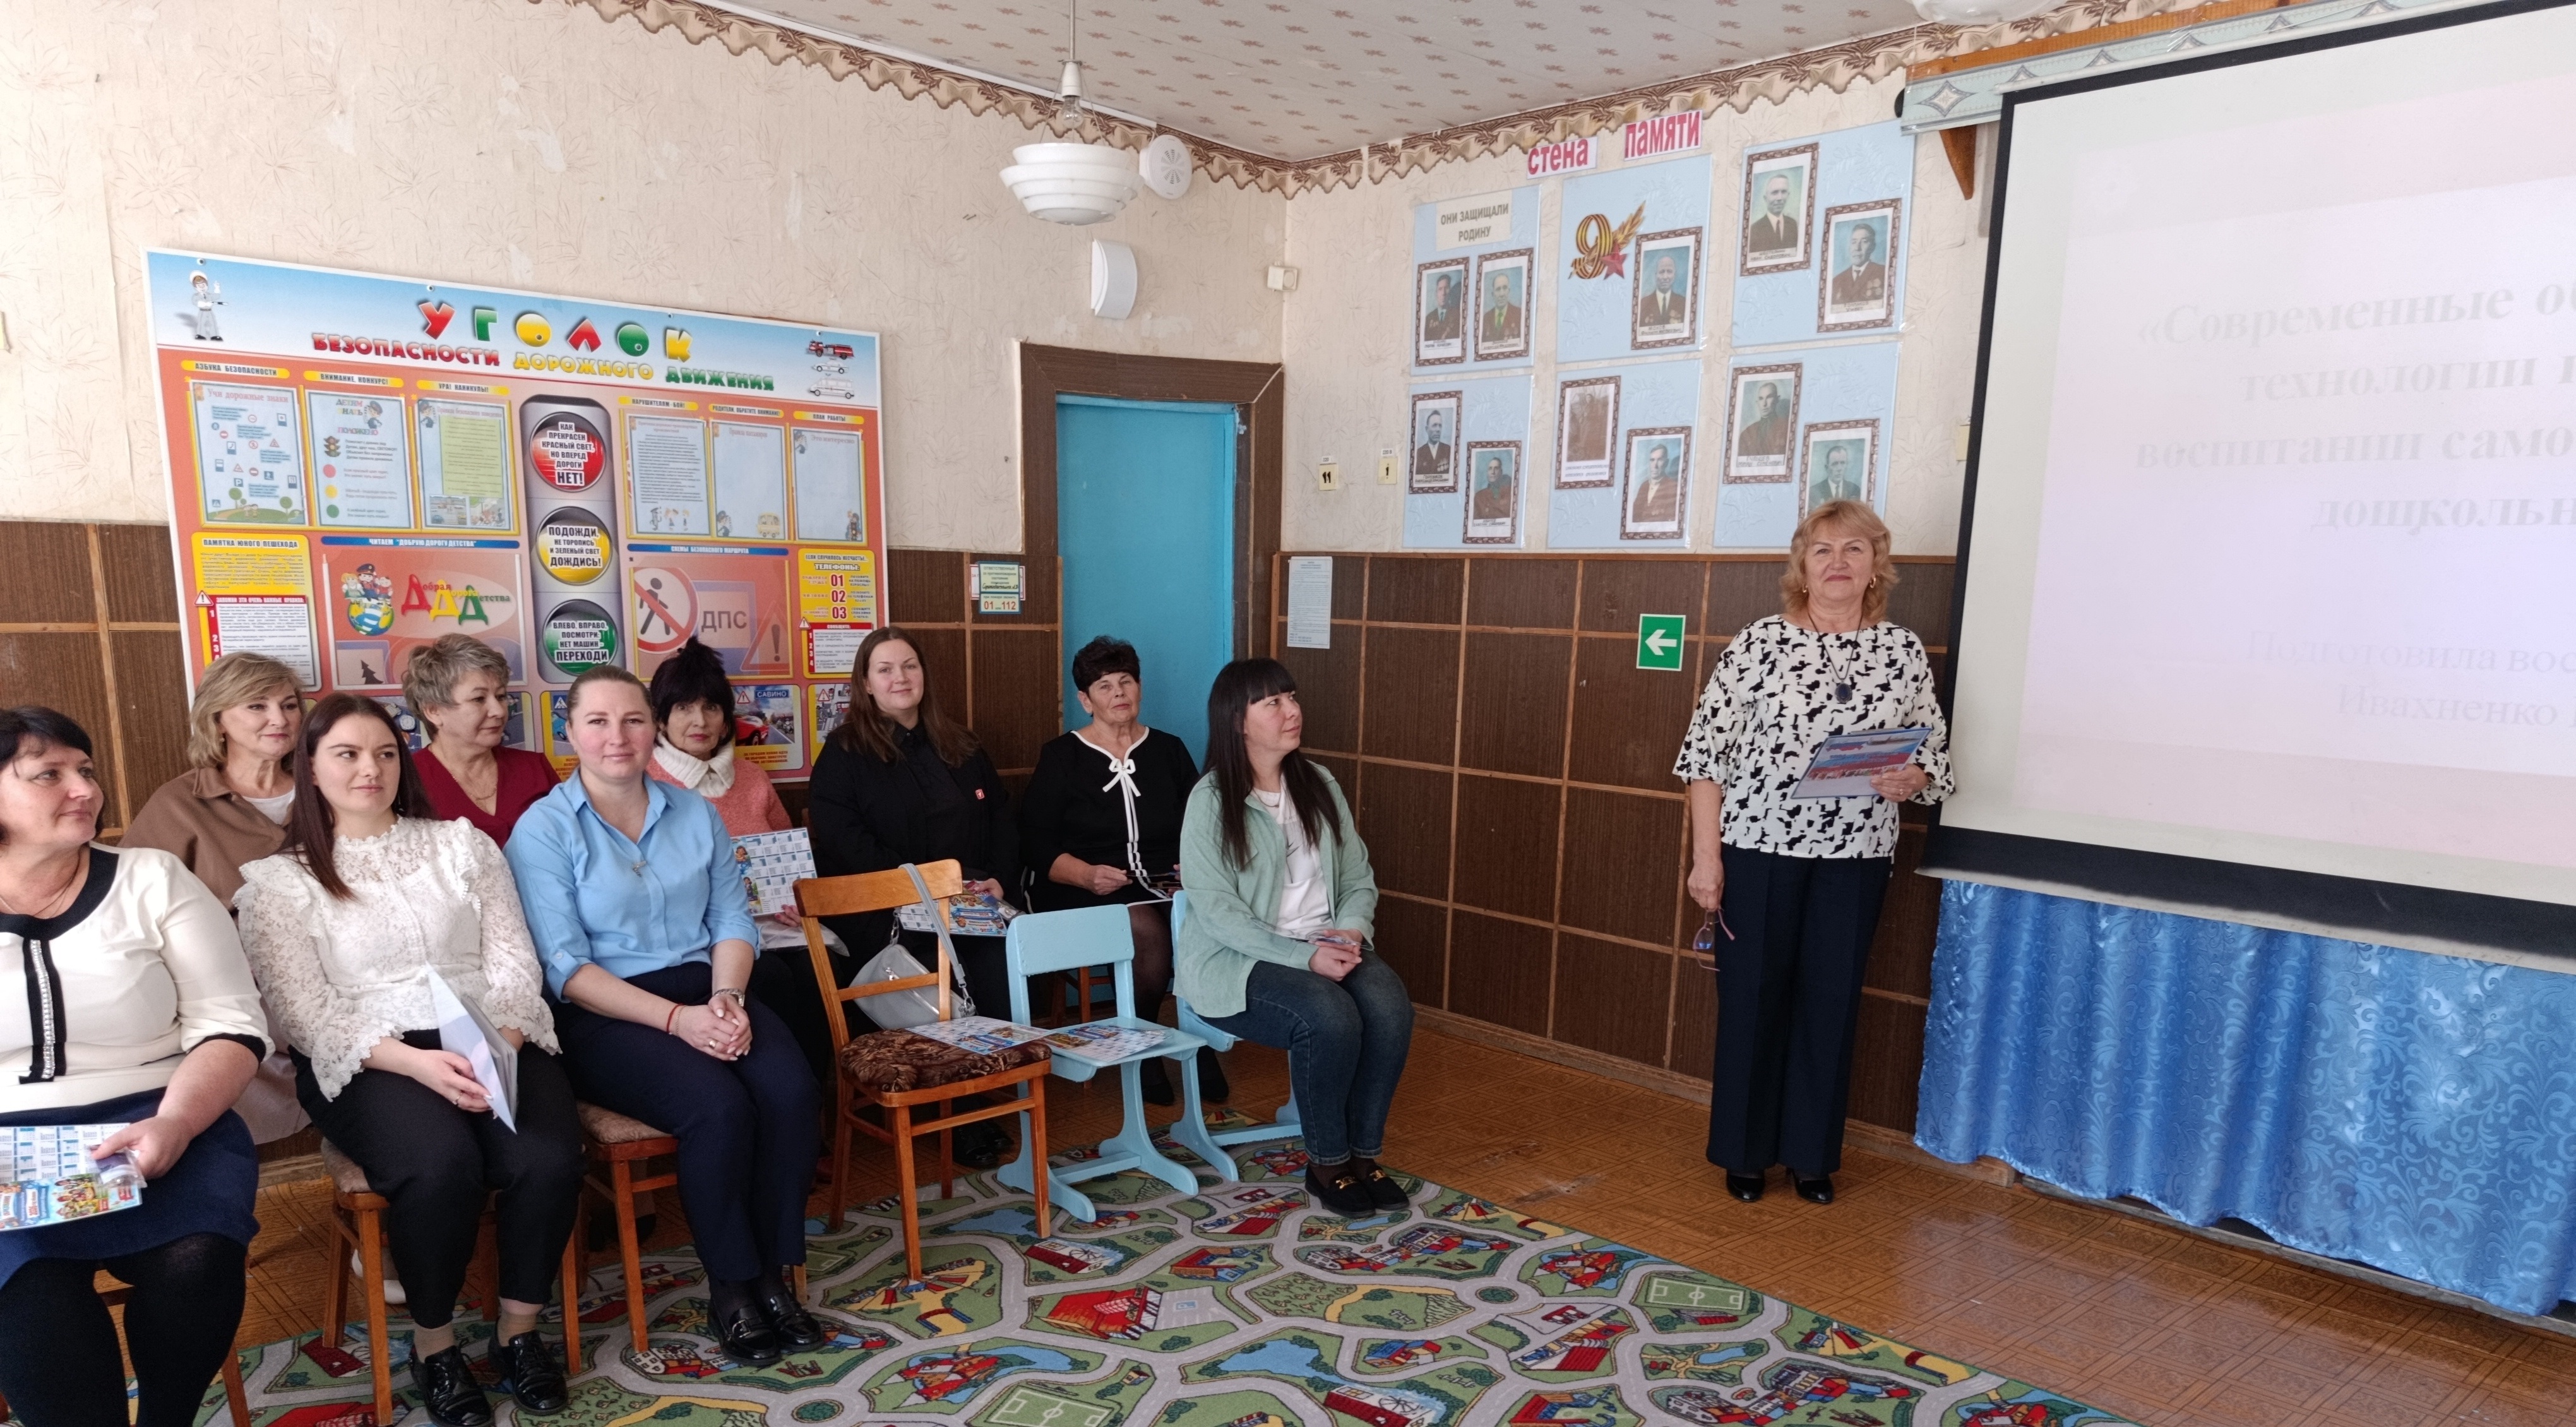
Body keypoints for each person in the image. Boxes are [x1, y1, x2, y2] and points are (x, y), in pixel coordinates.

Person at [234, 694, 580, 1426]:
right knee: (441, 1163)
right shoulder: (281, 881)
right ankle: (435, 1344)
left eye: (386, 753)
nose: (371, 768)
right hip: (369, 1056)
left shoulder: (462, 845)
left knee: (546, 1157)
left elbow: (514, 960)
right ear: (311, 769)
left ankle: (518, 1331)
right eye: (348, 754)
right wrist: (418, 1065)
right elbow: (305, 1013)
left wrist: (502, 1041)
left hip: (490, 1030)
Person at [504, 666, 821, 1367]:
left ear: (654, 728)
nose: (617, 736)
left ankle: (775, 1274)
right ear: (570, 732)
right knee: (718, 1108)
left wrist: (728, 998)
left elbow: (732, 919)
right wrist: (680, 1022)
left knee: (792, 1090)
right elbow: (566, 969)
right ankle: (732, 1286)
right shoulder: (543, 829)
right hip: (607, 1010)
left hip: (710, 986)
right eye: (597, 721)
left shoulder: (695, 813)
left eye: (633, 720)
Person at [1674, 500, 1952, 1206]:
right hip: (1758, 850)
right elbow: (1703, 758)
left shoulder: (1901, 651)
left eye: (1854, 549)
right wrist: (1707, 859)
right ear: (1801, 566)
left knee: (1830, 1003)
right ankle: (1745, 1152)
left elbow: (1935, 754)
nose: (1838, 563)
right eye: (1823, 550)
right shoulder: (1758, 643)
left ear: (1876, 564)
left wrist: (1915, 777)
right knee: (1752, 998)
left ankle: (1811, 1155)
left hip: (1856, 857)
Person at [0, 707, 268, 1427]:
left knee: (198, 1259)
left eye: (85, 770)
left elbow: (233, 1025)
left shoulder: (152, 878)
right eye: (49, 774)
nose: (84, 788)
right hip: (7, 1143)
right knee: (30, 1294)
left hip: (164, 1111)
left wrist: (176, 1123)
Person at [1178, 659, 1409, 1219]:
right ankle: (1327, 1164)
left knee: (1390, 1006)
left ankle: (1363, 1155)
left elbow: (1357, 877)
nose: (1292, 711)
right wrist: (1305, 957)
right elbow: (1218, 914)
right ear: (1238, 720)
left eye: (1292, 697)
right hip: (1239, 960)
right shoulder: (1210, 800)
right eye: (1273, 703)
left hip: (1325, 943)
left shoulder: (1319, 784)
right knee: (1328, 1017)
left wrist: (1351, 930)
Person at [806, 627, 1021, 1166]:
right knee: (942, 967)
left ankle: (982, 1092)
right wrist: (921, 889)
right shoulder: (844, 753)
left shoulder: (961, 744)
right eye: (885, 669)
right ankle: (955, 1112)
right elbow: (844, 842)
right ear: (866, 684)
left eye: (909, 666)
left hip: (968, 900)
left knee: (1004, 959)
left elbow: (1000, 817)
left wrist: (998, 878)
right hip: (888, 911)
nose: (900, 678)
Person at [1019, 636, 1223, 1106]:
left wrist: (1192, 865)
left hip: (1164, 879)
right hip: (1083, 885)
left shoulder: (1168, 750)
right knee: (1144, 927)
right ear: (1085, 700)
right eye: (1105, 686)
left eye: (1126, 681)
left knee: (1201, 919)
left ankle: (1202, 1038)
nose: (1118, 693)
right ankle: (1147, 1046)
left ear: (1140, 687)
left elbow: (1201, 823)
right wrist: (1086, 875)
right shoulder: (1062, 757)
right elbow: (1035, 843)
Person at [122, 652, 309, 1143]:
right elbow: (133, 905)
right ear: (218, 718)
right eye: (257, 706)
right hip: (237, 977)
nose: (279, 719)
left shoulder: (327, 787)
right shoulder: (179, 803)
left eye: (289, 705)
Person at [403, 634, 559, 844]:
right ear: (434, 711)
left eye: (501, 696)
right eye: (479, 699)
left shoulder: (534, 768)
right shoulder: (407, 780)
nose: (499, 711)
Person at [647, 638, 792, 836]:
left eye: (711, 707)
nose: (700, 721)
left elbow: (786, 848)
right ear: (662, 720)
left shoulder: (754, 777)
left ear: (725, 721)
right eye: (683, 707)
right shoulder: (642, 782)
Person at [1829, 222, 1888, 309]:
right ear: (1850, 247)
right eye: (1854, 242)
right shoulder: (1836, 281)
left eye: (1864, 242)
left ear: (1872, 247)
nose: (1857, 248)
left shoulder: (1883, 273)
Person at [1748, 172, 1800, 256]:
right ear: (1766, 198)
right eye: (1775, 193)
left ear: (1788, 195)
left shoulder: (1793, 224)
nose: (1780, 198)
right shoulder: (1755, 229)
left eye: (1784, 192)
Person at [1630, 442, 1681, 526]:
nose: (1655, 465)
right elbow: (1633, 516)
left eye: (1660, 460)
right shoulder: (1644, 486)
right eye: (1652, 460)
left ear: (1667, 463)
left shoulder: (1673, 487)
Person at [1738, 381, 1792, 458]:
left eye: (1769, 397)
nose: (1764, 404)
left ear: (1777, 399)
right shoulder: (1746, 434)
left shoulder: (1787, 427)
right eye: (1761, 399)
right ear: (1757, 402)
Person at [1638, 252, 1688, 328]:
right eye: (1662, 272)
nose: (1665, 277)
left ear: (1674, 275)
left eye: (1669, 271)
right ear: (1656, 275)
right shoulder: (1643, 304)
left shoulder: (1683, 303)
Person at [1809, 442, 1865, 508]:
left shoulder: (1855, 490)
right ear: (1827, 468)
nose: (1839, 468)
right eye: (1835, 464)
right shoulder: (1815, 491)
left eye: (1843, 463)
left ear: (1847, 465)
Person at [1480, 270, 1523, 347]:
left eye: (1505, 288)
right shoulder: (1486, 318)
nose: (1502, 294)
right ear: (1493, 294)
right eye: (1498, 289)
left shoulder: (1519, 314)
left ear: (1509, 291)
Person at [1470, 455, 1515, 523]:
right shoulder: (1479, 496)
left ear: (1501, 472)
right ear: (1487, 472)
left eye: (1496, 468)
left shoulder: (1510, 493)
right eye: (1490, 469)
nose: (1493, 472)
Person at [1412, 411, 1453, 479]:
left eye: (1440, 426)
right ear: (1427, 429)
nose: (1438, 429)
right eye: (1434, 425)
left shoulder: (1449, 450)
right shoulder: (1419, 453)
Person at [1420, 273, 1459, 343]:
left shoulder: (1457, 315)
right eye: (1440, 289)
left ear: (1450, 292)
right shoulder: (1428, 319)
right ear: (1436, 293)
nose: (1443, 293)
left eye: (1446, 288)